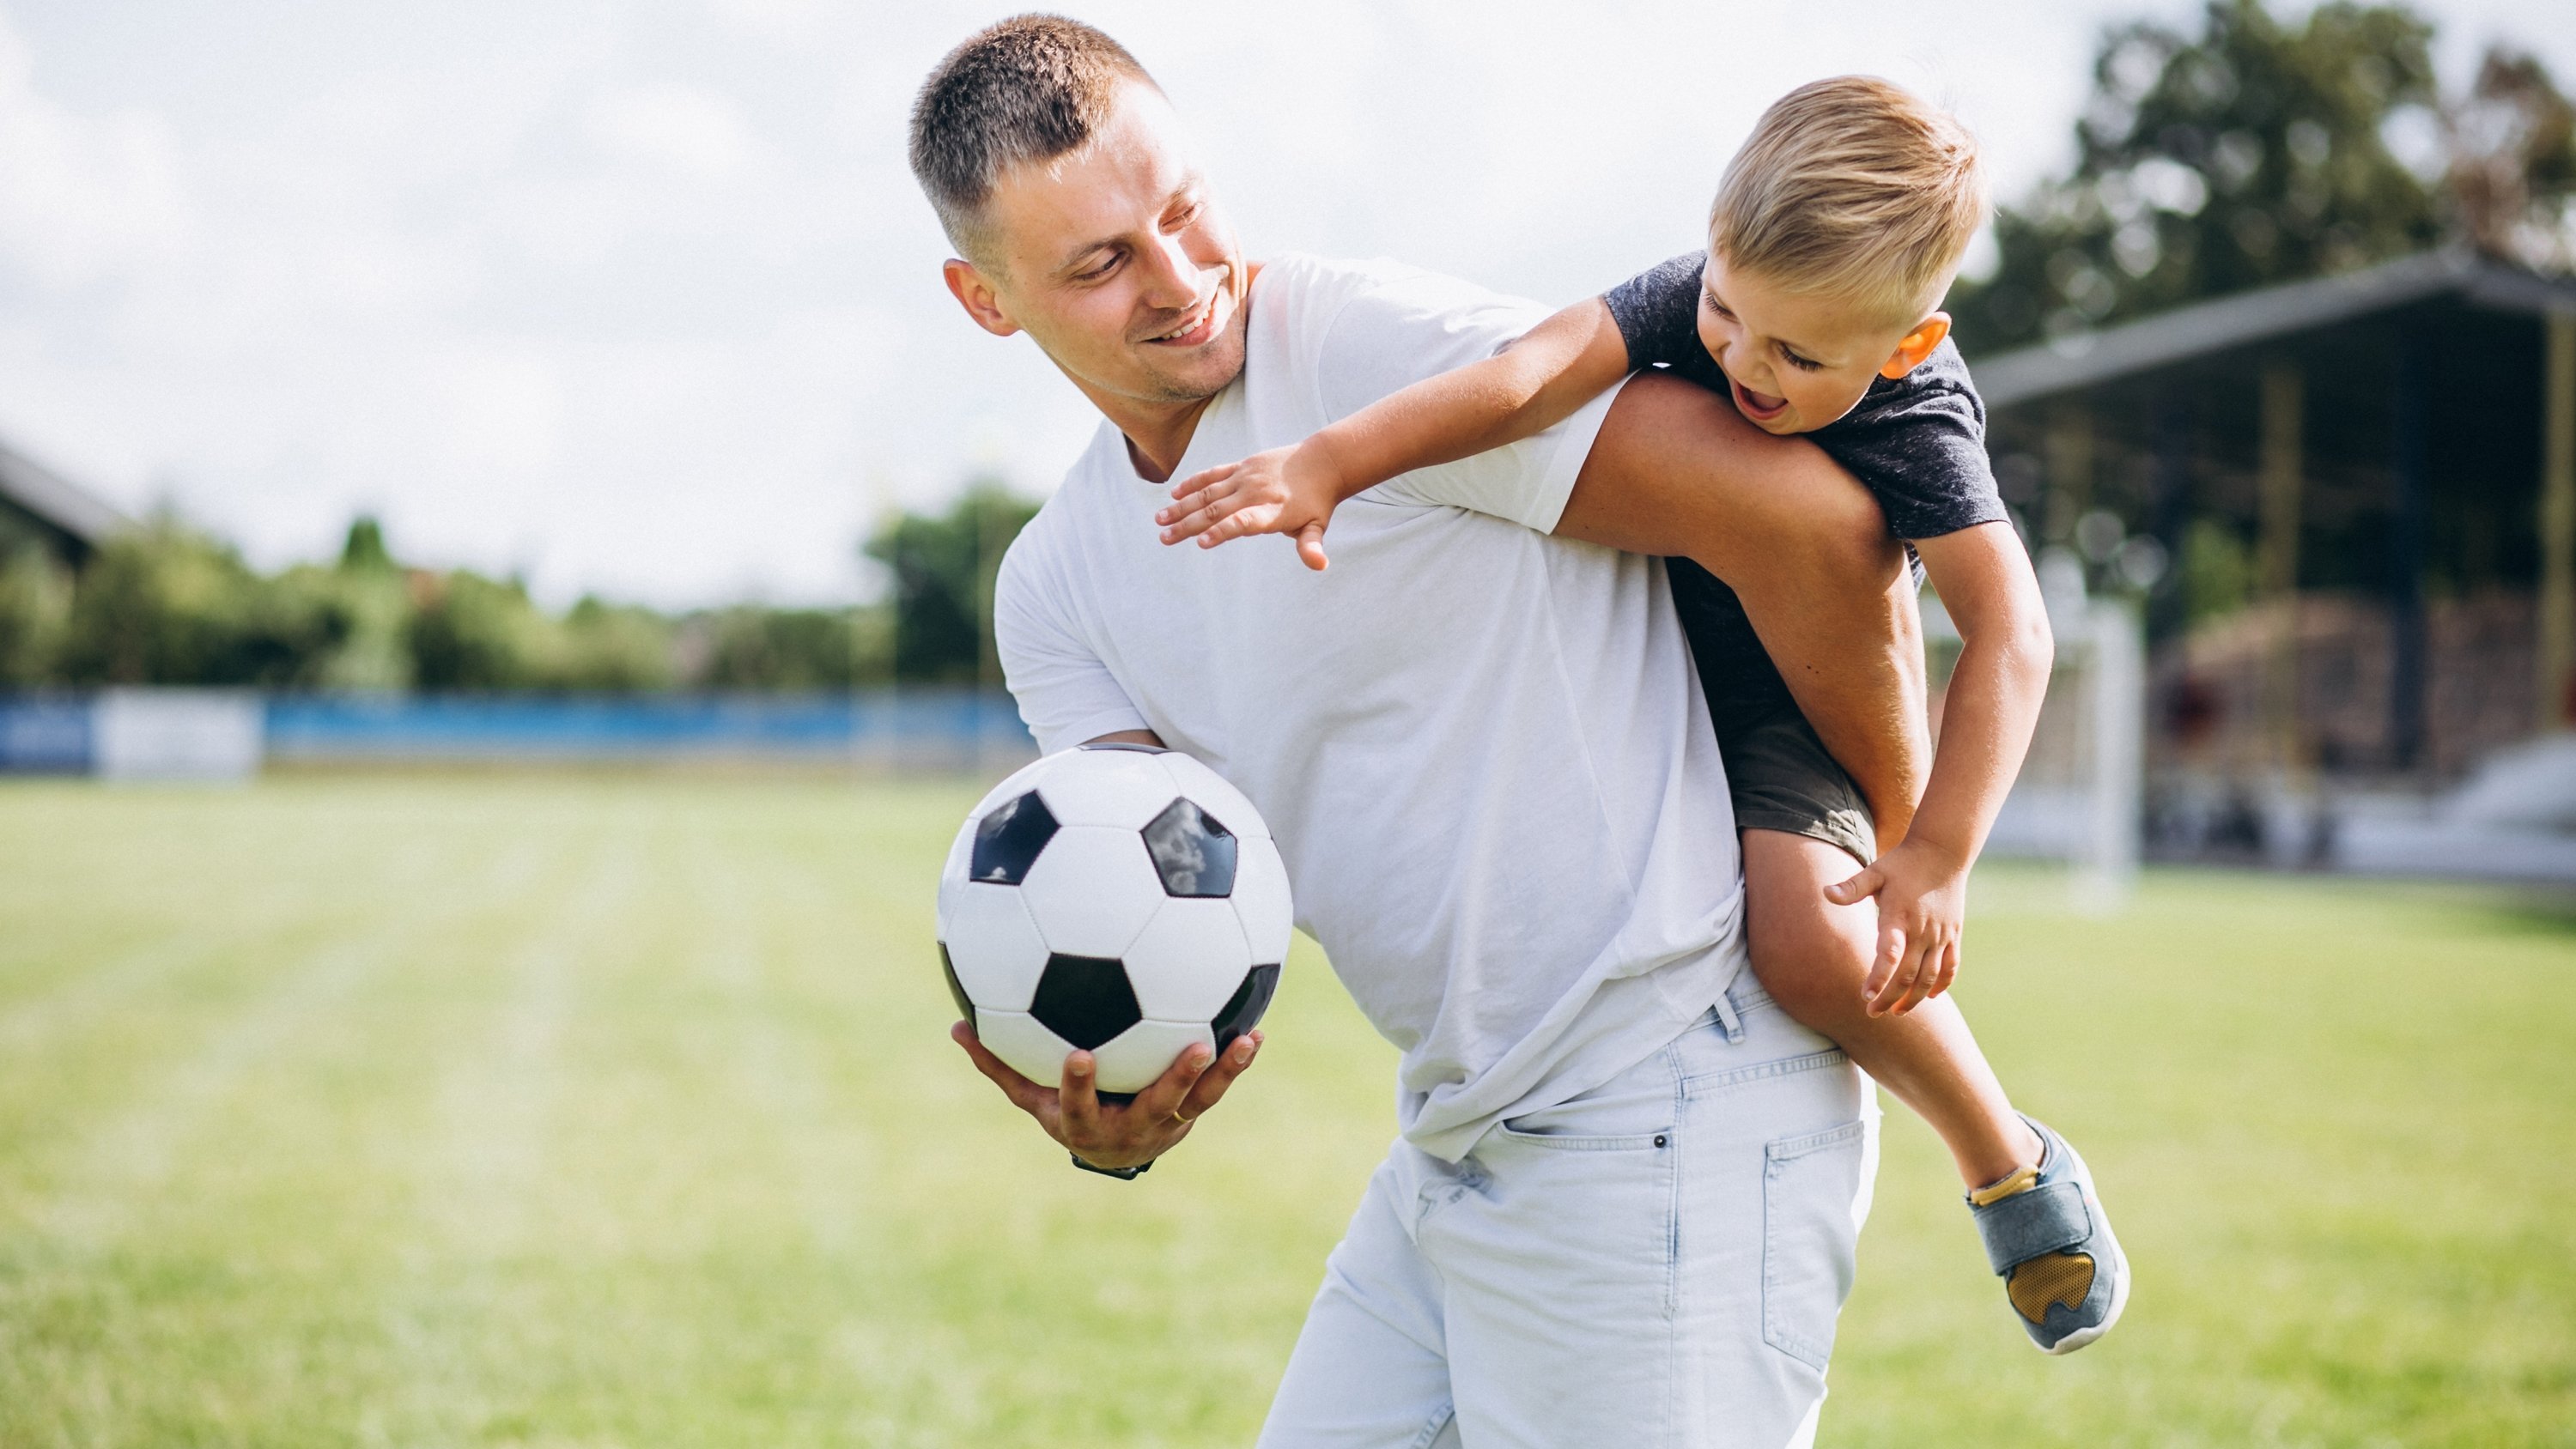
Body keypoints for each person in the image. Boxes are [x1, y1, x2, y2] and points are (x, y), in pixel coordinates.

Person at [912, 18, 1930, 1446]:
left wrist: (1910, 843)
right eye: (1101, 264)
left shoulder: (1358, 350)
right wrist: (1119, 1098)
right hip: (1462, 1132)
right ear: (987, 299)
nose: (1184, 279)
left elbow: (1811, 523)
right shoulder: (1060, 587)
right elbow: (1146, 888)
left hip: (1672, 1097)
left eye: (1186, 210)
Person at [1157, 76, 2128, 1355]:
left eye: (1797, 355)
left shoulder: (1919, 409)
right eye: (1728, 315)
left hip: (1779, 720)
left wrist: (1939, 856)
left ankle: (2004, 1156)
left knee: (1810, 943)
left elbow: (2013, 630)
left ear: (1900, 344)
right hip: (1634, 667)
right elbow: (1525, 375)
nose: (1742, 363)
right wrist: (1331, 462)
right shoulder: (1698, 293)